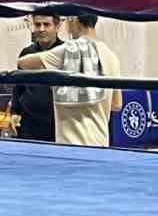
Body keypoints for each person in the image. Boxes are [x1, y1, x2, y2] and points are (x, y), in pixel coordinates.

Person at [15, 14, 121, 148]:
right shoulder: (111, 56)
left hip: (70, 144)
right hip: (100, 142)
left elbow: (23, 63)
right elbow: (116, 104)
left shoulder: (68, 51)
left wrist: (57, 75)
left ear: (75, 20)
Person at [12, 11, 63, 143]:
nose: (41, 29)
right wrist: (15, 112)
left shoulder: (66, 52)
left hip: (58, 122)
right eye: (37, 24)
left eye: (46, 24)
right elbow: (19, 86)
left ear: (57, 26)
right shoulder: (27, 53)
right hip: (29, 122)